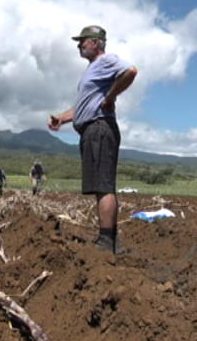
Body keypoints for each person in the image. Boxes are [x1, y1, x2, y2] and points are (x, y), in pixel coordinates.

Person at [47, 25, 138, 254]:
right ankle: (109, 240)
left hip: (100, 128)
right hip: (91, 130)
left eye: (83, 41)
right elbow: (82, 107)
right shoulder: (90, 71)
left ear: (96, 42)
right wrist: (62, 119)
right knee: (100, 185)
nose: (79, 45)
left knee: (103, 185)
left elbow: (131, 71)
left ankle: (106, 240)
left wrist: (110, 97)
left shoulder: (106, 61)